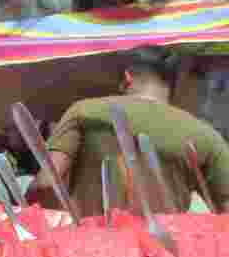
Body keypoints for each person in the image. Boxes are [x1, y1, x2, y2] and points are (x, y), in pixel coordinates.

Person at [26, 45, 229, 216]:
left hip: (89, 250)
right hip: (160, 256)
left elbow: (46, 185)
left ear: (127, 77)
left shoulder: (85, 111)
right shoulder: (205, 135)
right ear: (172, 84)